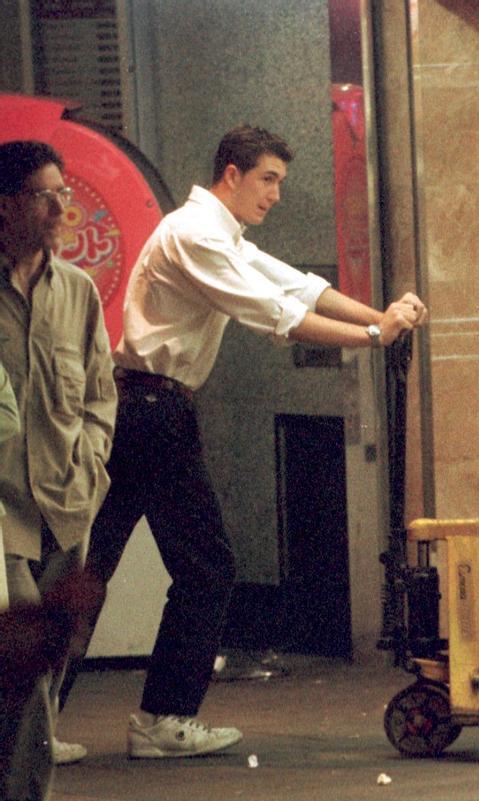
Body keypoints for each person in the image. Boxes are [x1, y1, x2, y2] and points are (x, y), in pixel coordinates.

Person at [70, 125, 429, 760]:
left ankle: (25, 727)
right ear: (231, 175)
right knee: (204, 568)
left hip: (144, 409)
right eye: (268, 179)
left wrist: (380, 318)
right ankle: (161, 721)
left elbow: (296, 286)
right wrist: (375, 338)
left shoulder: (219, 233)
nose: (276, 194)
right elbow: (278, 314)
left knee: (90, 570)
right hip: (153, 413)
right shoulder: (196, 235)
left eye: (280, 182)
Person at [0, 140, 117, 801]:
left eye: (63, 193)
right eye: (45, 195)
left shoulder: (77, 291)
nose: (60, 208)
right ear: (6, 205)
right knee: (18, 664)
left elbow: (100, 391)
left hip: (67, 503)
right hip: (3, 511)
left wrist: (92, 461)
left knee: (44, 663)